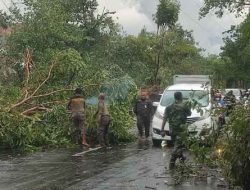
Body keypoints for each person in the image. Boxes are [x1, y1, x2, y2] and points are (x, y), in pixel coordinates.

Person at [161, 91, 191, 170]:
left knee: (177, 145)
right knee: (177, 146)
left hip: (172, 130)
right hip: (181, 130)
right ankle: (171, 164)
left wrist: (162, 129)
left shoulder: (169, 107)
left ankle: (182, 159)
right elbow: (189, 114)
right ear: (181, 97)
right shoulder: (185, 106)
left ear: (174, 97)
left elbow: (164, 118)